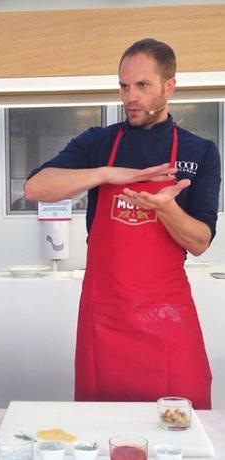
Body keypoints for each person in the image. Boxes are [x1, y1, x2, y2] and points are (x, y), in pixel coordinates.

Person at [24, 38, 221, 409]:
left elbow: (199, 241)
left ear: (169, 86)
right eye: (124, 86)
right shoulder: (99, 142)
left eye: (142, 86)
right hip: (106, 321)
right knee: (104, 427)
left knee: (181, 424)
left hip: (167, 320)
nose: (130, 96)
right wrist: (104, 174)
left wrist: (166, 208)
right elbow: (36, 187)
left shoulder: (200, 152)